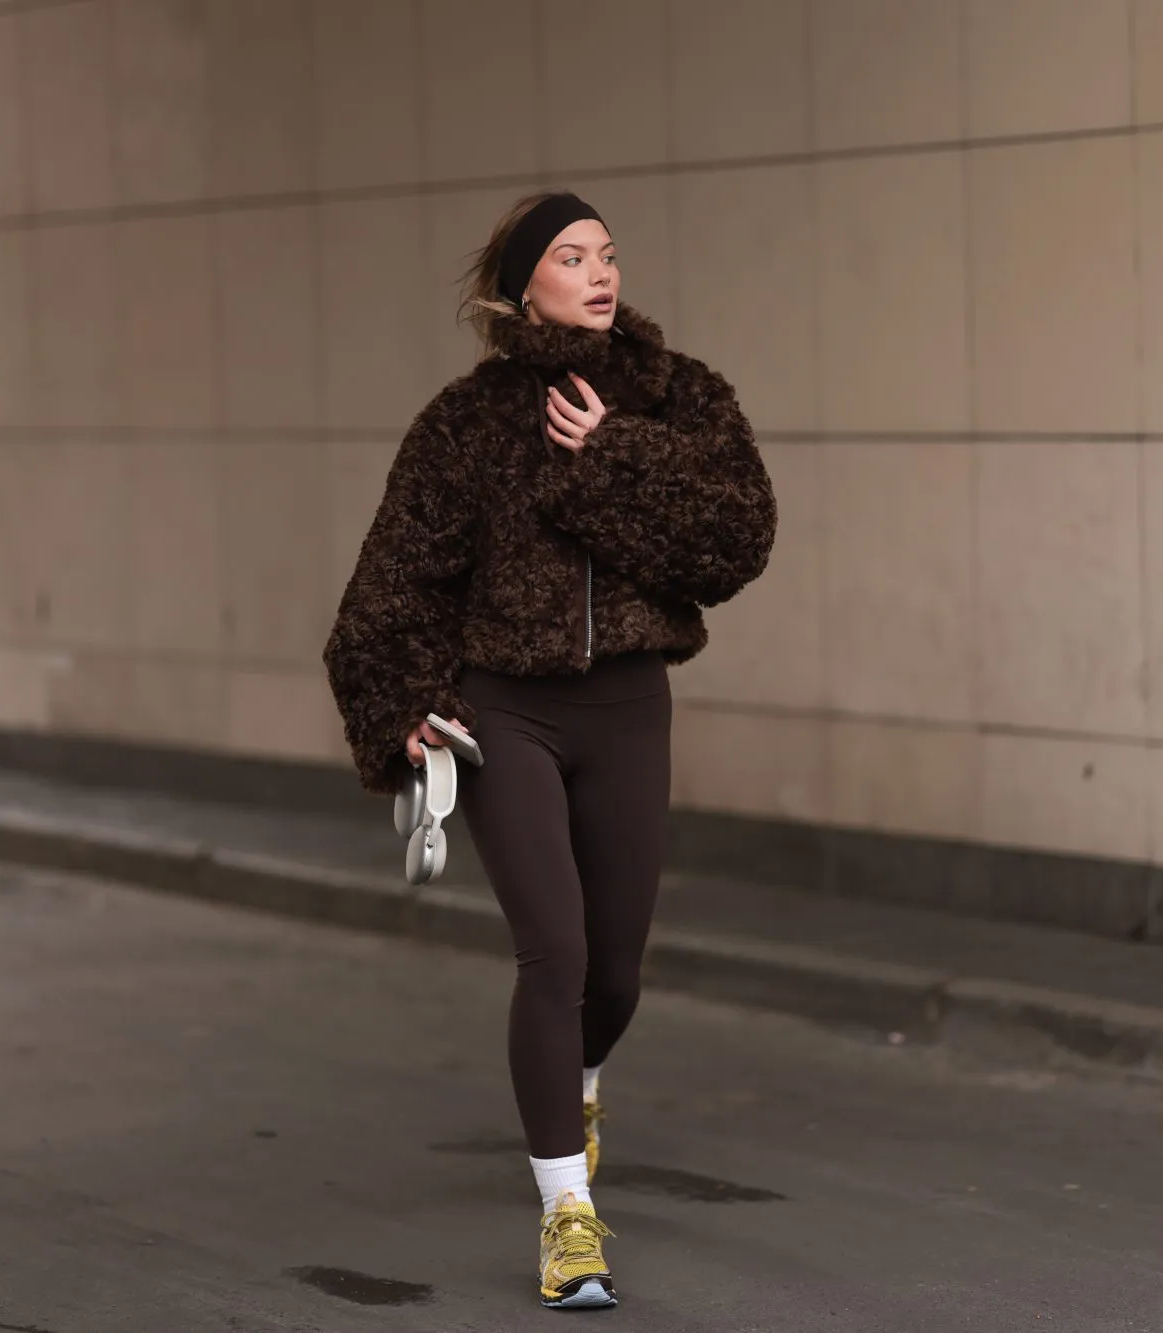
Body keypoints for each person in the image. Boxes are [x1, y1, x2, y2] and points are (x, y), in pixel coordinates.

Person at [323, 192, 777, 1311]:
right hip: (503, 716)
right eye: (571, 256)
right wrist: (402, 709)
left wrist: (613, 456)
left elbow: (736, 539)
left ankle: (573, 1087)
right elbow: (392, 581)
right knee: (556, 952)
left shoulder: (679, 397)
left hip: (627, 709)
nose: (598, 271)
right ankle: (566, 1214)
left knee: (614, 975)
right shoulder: (463, 424)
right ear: (523, 283)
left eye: (608, 254)